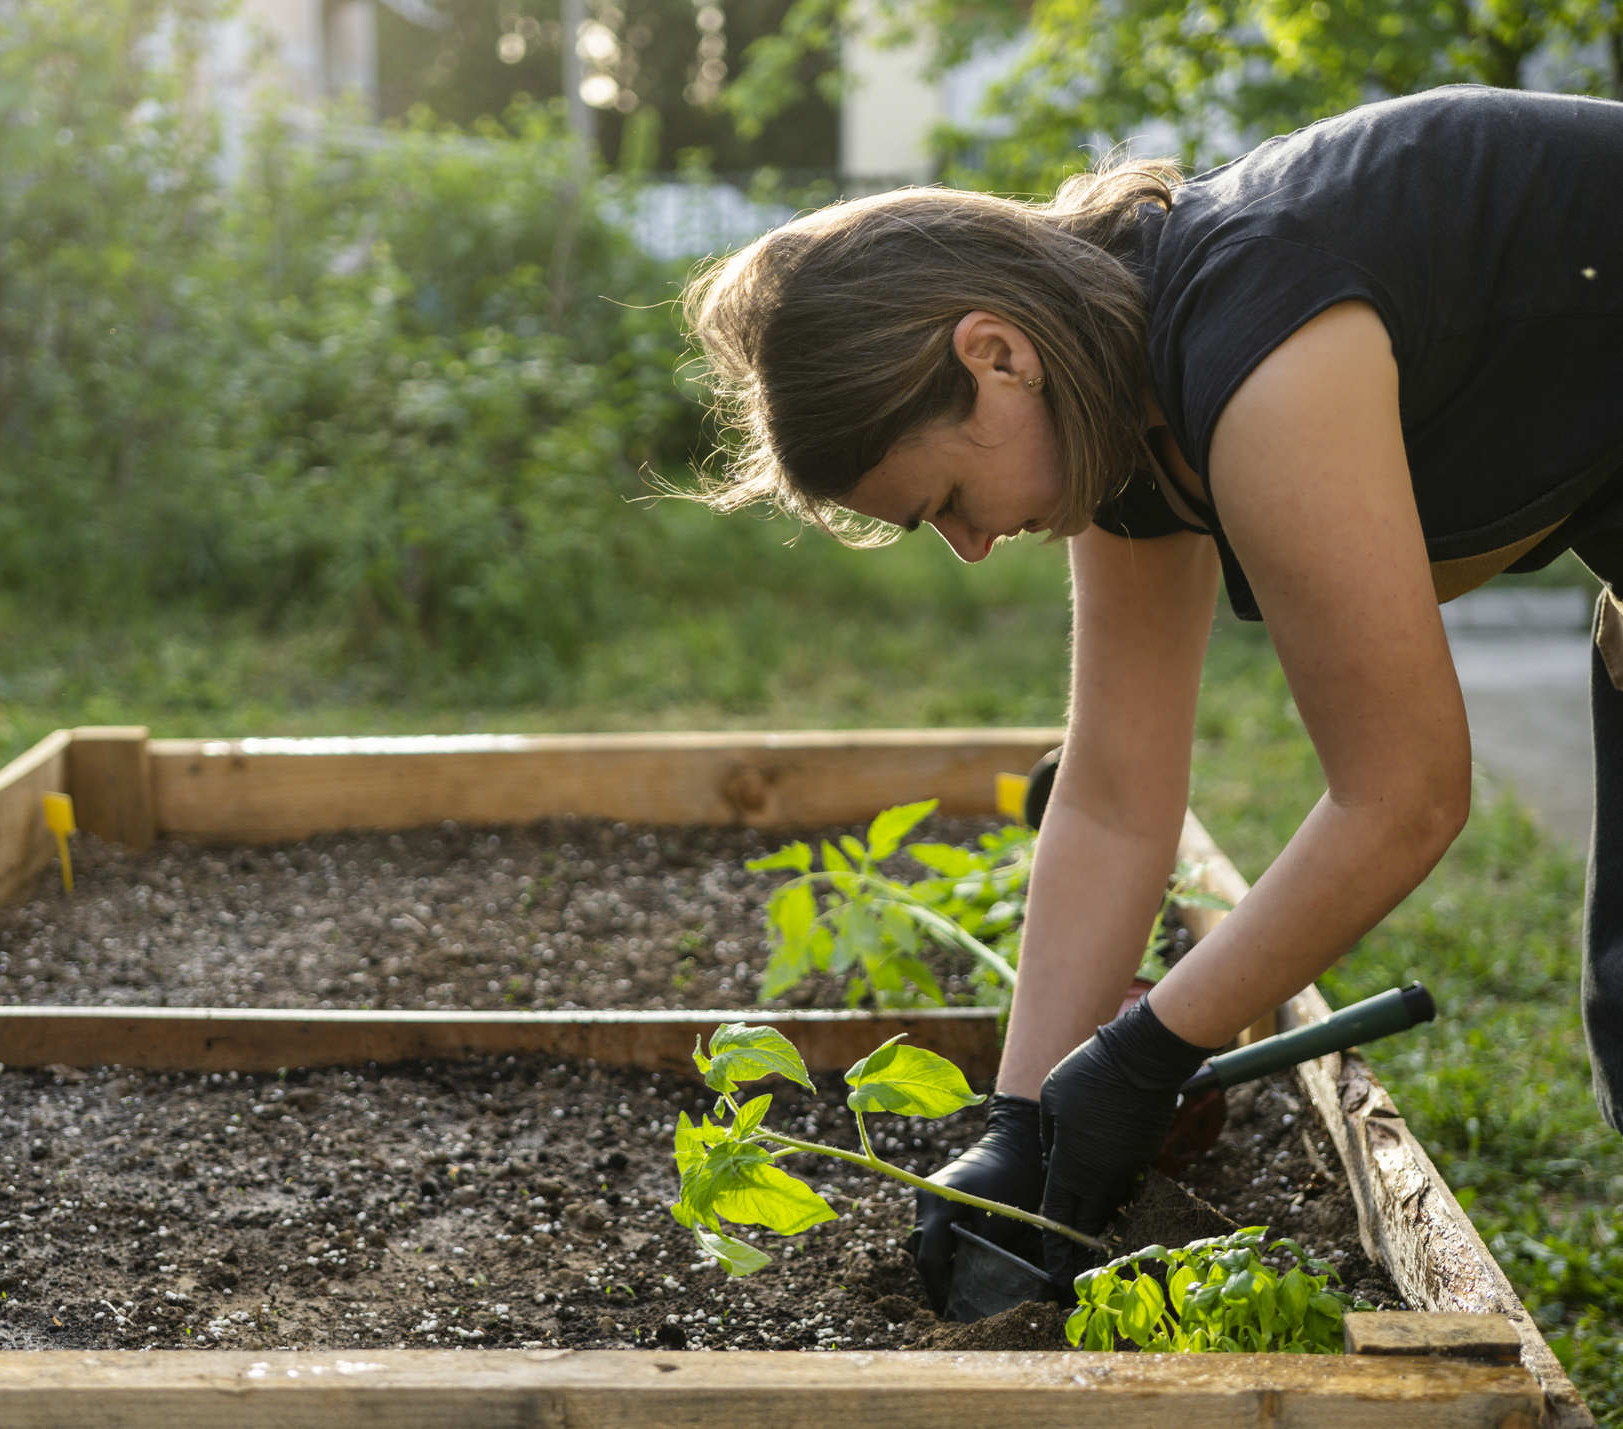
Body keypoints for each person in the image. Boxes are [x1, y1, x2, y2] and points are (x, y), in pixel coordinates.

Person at [681, 83, 1623, 1307]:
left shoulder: (1259, 347)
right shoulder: (1118, 412)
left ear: (995, 352)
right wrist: (1022, 1127)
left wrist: (1151, 1047)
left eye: (946, 506)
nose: (971, 548)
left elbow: (1403, 794)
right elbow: (1117, 794)